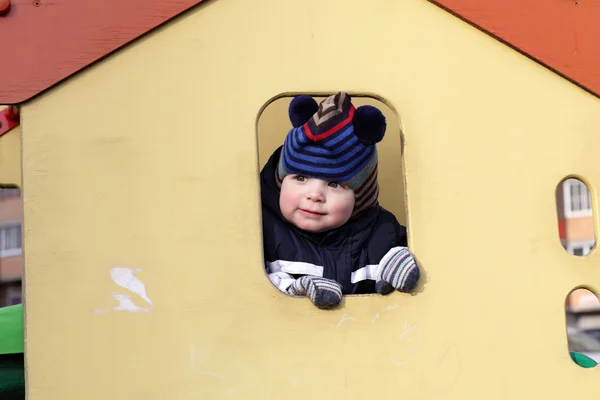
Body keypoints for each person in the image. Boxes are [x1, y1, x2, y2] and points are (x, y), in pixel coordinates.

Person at [260, 91, 420, 309]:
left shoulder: (382, 235)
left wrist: (394, 263)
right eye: (300, 178)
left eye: (334, 184)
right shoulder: (262, 231)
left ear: (361, 197)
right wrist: (295, 289)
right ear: (280, 182)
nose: (315, 195)